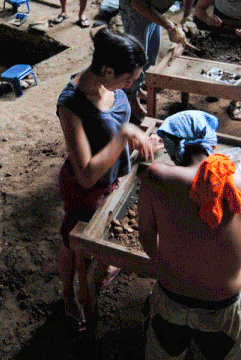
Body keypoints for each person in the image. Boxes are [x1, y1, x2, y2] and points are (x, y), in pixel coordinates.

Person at [56, 27, 161, 333]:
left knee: (105, 234)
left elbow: (112, 134)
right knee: (73, 242)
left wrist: (139, 144)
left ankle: (103, 269)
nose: (131, 86)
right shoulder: (71, 104)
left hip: (114, 178)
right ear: (107, 70)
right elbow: (87, 174)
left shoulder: (111, 86)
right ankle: (68, 294)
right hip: (84, 191)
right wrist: (127, 134)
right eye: (128, 80)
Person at [138, 110, 241, 360]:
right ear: (212, 144)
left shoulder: (157, 176)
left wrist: (172, 267)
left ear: (173, 147)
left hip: (171, 297)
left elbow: (147, 238)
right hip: (222, 307)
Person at [119, 0, 233, 121]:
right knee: (137, 59)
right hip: (135, 9)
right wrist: (169, 25)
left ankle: (137, 90)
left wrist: (188, 14)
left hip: (154, 5)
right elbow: (138, 2)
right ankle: (131, 103)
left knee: (151, 55)